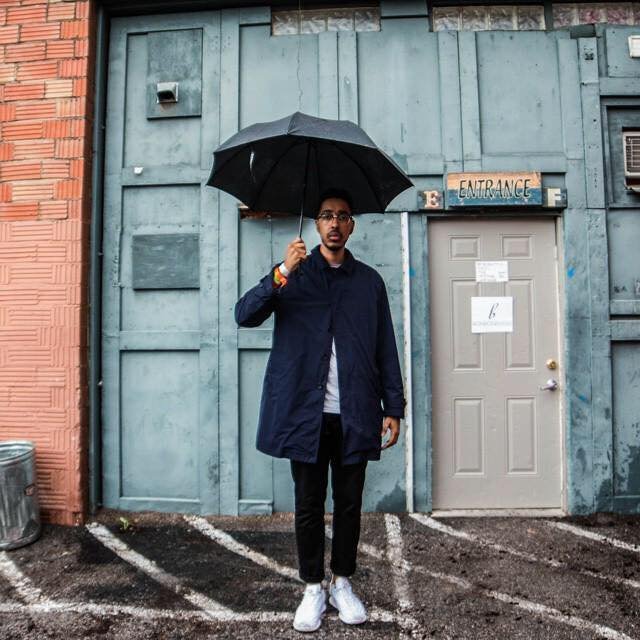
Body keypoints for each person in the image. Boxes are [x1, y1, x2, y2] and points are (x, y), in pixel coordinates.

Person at [234, 188, 405, 633]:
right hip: (304, 415)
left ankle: (342, 582)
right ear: (315, 224)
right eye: (327, 215)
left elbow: (385, 347)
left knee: (349, 504)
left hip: (355, 414)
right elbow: (244, 315)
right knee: (308, 504)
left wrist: (393, 406)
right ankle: (313, 586)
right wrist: (282, 271)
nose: (334, 223)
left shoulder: (368, 282)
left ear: (352, 226)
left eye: (343, 216)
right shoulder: (294, 275)